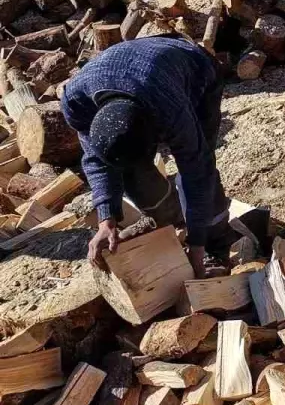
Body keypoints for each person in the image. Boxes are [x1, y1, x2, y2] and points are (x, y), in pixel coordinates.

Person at [62, 35, 233, 279]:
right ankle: (171, 218)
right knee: (128, 169)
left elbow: (196, 171)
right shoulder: (77, 102)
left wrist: (197, 247)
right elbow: (95, 159)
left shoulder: (170, 110)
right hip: (125, 70)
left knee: (200, 165)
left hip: (193, 67)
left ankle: (215, 245)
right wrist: (106, 218)